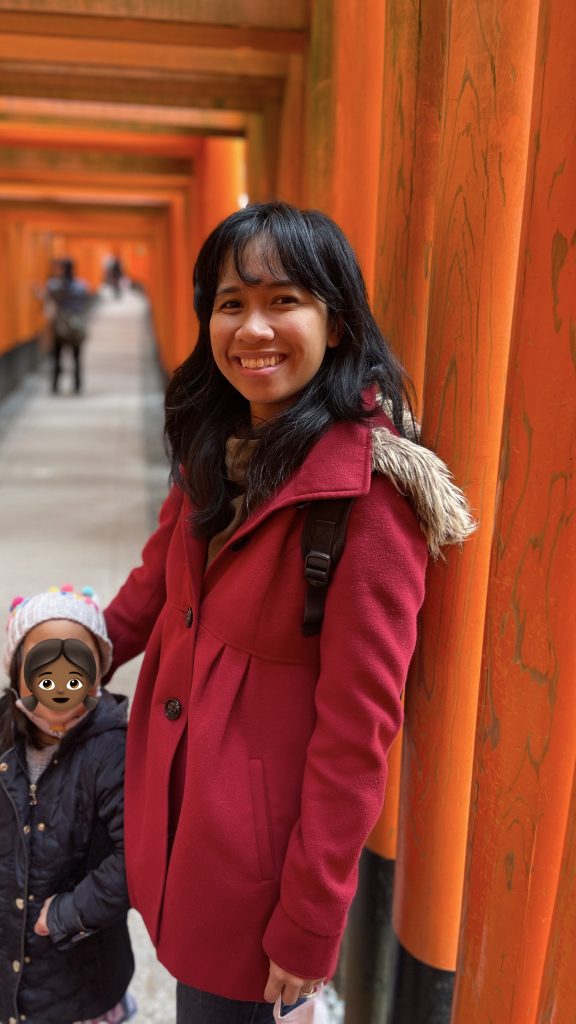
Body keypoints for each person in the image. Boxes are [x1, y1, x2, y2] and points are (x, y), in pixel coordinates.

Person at [102, 202, 475, 1023]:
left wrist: (308, 923)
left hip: (254, 861)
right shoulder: (219, 439)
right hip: (181, 810)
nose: (252, 328)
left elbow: (358, 735)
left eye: (284, 301)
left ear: (336, 324)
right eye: (231, 303)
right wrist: (78, 642)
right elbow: (156, 580)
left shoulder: (369, 498)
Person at [0, 586, 136, 1024]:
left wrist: (69, 913)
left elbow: (135, 857)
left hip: (82, 970)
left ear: (99, 672)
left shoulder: (113, 753)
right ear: (17, 672)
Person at [46, 259, 92, 394]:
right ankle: (77, 385)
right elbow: (85, 300)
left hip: (60, 324)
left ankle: (55, 385)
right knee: (77, 357)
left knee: (57, 356)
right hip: (76, 324)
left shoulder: (55, 285)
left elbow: (49, 297)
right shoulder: (81, 285)